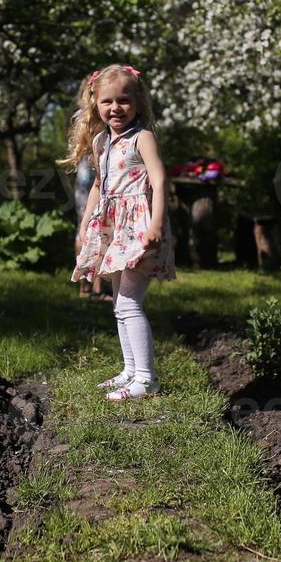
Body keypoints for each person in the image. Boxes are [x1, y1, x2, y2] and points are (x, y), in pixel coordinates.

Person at [62, 63, 176, 401]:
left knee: (129, 302)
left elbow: (159, 179)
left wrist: (156, 223)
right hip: (114, 229)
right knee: (118, 303)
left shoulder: (143, 138)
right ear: (95, 103)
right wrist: (85, 225)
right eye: (107, 102)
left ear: (138, 102)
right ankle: (130, 370)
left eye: (124, 101)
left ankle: (147, 378)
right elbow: (99, 183)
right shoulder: (100, 141)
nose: (115, 108)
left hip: (139, 228)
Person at [72, 154, 110, 302]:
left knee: (83, 229)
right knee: (99, 230)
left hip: (84, 172)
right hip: (96, 172)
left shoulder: (83, 132)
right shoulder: (104, 132)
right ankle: (96, 288)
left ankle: (84, 286)